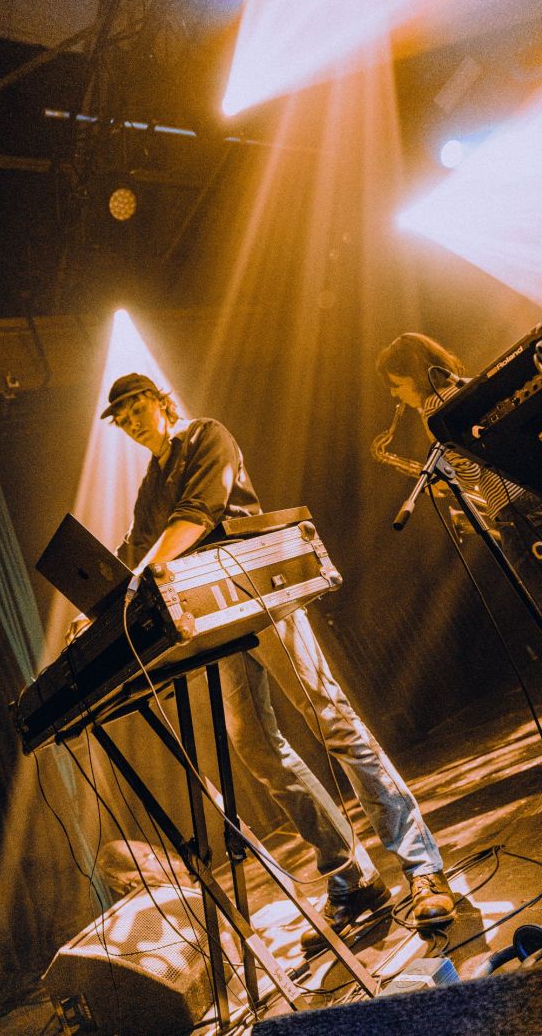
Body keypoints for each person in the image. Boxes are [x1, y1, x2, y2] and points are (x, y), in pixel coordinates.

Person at [70, 372, 455, 949]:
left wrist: (133, 584)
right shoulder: (151, 483)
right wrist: (99, 611)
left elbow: (197, 514)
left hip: (257, 589)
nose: (128, 423)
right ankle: (351, 878)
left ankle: (423, 867)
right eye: (120, 420)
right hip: (215, 614)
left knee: (331, 720)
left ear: (159, 402)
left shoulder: (207, 436)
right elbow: (135, 549)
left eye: (133, 409)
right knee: (253, 744)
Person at [375, 332, 542, 607]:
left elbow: (470, 472)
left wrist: (443, 482)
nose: (394, 393)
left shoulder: (435, 410)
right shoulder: (465, 390)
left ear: (413, 376)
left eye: (396, 384)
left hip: (516, 509)